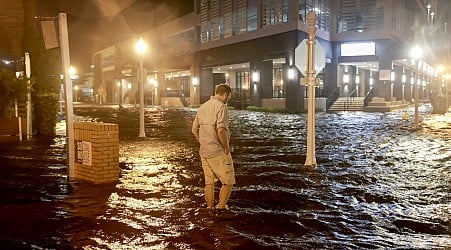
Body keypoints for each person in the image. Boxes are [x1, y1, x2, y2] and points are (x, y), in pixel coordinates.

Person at [192, 83, 235, 213]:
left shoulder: (202, 106)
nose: (228, 100)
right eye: (228, 97)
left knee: (209, 182)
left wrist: (203, 143)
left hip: (204, 151)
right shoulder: (222, 107)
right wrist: (226, 148)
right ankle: (221, 208)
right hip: (217, 152)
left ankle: (209, 207)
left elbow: (194, 129)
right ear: (225, 95)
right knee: (228, 181)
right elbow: (221, 130)